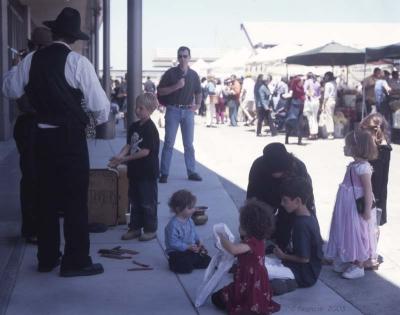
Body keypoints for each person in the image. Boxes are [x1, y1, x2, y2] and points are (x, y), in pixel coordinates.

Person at [2, 7, 110, 277]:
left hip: (41, 137)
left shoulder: (32, 60)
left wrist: (19, 67)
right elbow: (101, 107)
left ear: (54, 31)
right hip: (71, 139)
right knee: (74, 200)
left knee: (45, 198)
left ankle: (47, 257)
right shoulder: (78, 63)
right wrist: (89, 120)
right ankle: (76, 261)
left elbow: (9, 89)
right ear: (74, 37)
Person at [11, 27, 52, 244]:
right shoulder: (35, 63)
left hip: (31, 125)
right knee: (36, 177)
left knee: (32, 177)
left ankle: (34, 226)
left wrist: (15, 68)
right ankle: (36, 226)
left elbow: (12, 91)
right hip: (36, 125)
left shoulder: (26, 63)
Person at [325, 130, 379, 279]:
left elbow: (368, 190)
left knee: (357, 232)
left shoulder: (363, 167)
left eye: (347, 145)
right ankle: (348, 258)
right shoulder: (353, 165)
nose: (344, 148)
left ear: (356, 148)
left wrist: (367, 210)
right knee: (347, 230)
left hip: (356, 207)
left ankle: (359, 264)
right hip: (347, 206)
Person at [211, 199, 280, 315]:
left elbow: (233, 250)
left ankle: (250, 309)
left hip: (249, 283)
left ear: (249, 228)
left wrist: (221, 238)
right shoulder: (260, 239)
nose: (238, 227)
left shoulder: (251, 243)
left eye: (241, 225)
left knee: (216, 298)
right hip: (253, 281)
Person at [108, 93, 160, 241]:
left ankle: (150, 229)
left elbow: (145, 152)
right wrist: (119, 157)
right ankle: (135, 227)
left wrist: (124, 159)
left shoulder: (151, 129)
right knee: (135, 202)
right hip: (135, 172)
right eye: (136, 107)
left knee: (147, 202)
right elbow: (129, 145)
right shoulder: (134, 126)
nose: (137, 110)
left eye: (141, 108)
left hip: (147, 173)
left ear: (149, 110)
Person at [247, 143, 316, 250]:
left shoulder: (298, 168)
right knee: (259, 223)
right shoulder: (258, 167)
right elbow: (252, 199)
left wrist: (313, 236)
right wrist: (248, 226)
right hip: (266, 198)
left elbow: (306, 203)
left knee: (286, 229)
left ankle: (283, 242)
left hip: (291, 203)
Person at [157, 46, 202, 183]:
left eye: (185, 56)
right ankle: (164, 173)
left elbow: (198, 92)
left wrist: (198, 105)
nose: (183, 59)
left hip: (188, 111)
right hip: (173, 110)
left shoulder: (194, 75)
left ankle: (191, 172)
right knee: (169, 143)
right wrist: (176, 86)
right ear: (178, 58)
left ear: (189, 58)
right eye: (180, 56)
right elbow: (160, 92)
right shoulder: (170, 73)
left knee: (189, 144)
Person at [272, 177, 323, 295]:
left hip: (304, 274)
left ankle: (289, 283)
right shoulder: (308, 215)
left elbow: (304, 258)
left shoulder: (301, 225)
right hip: (308, 271)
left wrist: (283, 256)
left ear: (298, 201)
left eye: (285, 200)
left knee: (263, 271)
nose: (282, 204)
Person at [164, 189, 211, 273]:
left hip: (190, 250)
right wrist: (187, 247)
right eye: (190, 208)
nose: (193, 210)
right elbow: (173, 243)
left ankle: (193, 261)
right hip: (177, 252)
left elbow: (193, 232)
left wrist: (198, 240)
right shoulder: (173, 225)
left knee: (207, 260)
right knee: (185, 266)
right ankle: (176, 263)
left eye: (193, 207)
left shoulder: (189, 220)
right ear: (178, 209)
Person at [359, 113, 392, 226]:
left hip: (374, 197)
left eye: (364, 130)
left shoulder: (381, 150)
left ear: (373, 130)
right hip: (373, 195)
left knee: (372, 230)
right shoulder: (379, 146)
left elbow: (378, 180)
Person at [285, 76, 305, 144]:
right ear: (297, 82)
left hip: (301, 108)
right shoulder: (293, 89)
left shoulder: (302, 88)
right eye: (300, 81)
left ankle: (299, 140)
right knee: (291, 123)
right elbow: (289, 95)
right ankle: (286, 139)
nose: (302, 82)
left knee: (300, 124)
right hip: (294, 109)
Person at [303, 72, 321, 140]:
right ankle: (315, 133)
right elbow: (319, 94)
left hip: (310, 101)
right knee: (315, 118)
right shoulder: (317, 82)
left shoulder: (307, 82)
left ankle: (312, 134)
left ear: (307, 76)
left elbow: (306, 92)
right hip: (317, 101)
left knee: (310, 118)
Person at [321, 71, 337, 140]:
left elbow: (326, 96)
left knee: (329, 117)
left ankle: (330, 133)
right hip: (333, 100)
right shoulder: (334, 83)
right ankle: (331, 132)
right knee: (331, 116)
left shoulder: (327, 84)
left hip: (329, 101)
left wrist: (323, 104)